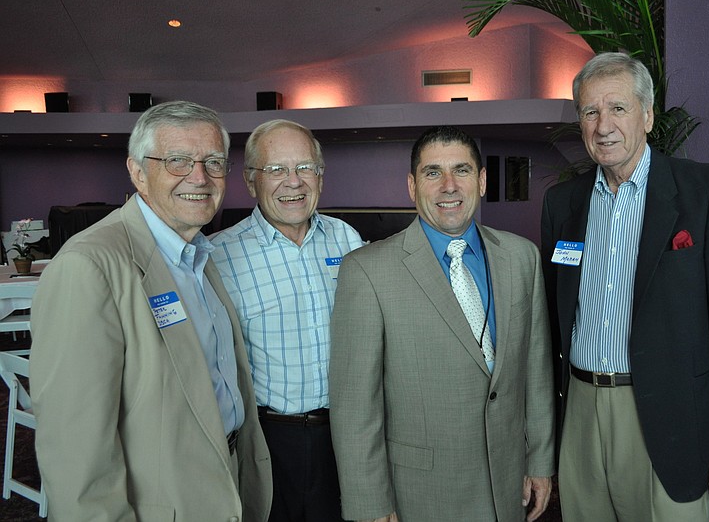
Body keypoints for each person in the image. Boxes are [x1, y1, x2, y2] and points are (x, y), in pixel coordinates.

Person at [541, 52, 709, 521]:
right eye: (589, 111)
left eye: (617, 108)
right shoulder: (562, 202)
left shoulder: (705, 190)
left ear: (647, 114)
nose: (603, 125)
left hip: (670, 414)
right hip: (579, 411)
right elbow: (551, 321)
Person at [29, 101, 273, 521]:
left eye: (213, 161)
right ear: (138, 173)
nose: (199, 176)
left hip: (225, 481)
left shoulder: (199, 254)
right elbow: (74, 455)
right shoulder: (88, 266)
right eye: (177, 160)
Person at [329, 125, 555, 522]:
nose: (449, 185)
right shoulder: (366, 271)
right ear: (413, 186)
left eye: (462, 171)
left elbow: (536, 372)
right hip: (419, 495)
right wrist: (371, 506)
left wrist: (539, 459)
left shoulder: (522, 257)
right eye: (433, 172)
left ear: (482, 181)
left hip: (507, 484)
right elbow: (355, 408)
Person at [211, 119, 363, 521]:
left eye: (305, 168)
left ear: (321, 176)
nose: (293, 182)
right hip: (266, 437)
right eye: (276, 169)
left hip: (345, 432)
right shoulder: (218, 256)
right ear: (250, 181)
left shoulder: (346, 240)